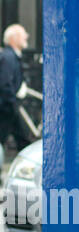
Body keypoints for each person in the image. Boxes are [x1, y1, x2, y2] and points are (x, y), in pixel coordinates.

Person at [0, 24, 32, 153]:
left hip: (8, 108)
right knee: (23, 140)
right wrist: (13, 104)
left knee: (23, 140)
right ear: (13, 38)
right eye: (23, 34)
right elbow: (4, 83)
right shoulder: (8, 57)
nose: (26, 36)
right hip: (6, 109)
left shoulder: (11, 56)